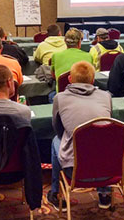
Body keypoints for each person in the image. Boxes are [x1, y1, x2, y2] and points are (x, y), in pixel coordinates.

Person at [47, 61, 113, 211]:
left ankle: (56, 194)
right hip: (108, 168)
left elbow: (58, 129)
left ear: (70, 79)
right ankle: (104, 194)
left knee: (56, 141)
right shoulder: (106, 96)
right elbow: (109, 128)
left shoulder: (60, 98)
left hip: (75, 170)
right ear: (92, 80)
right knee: (103, 143)